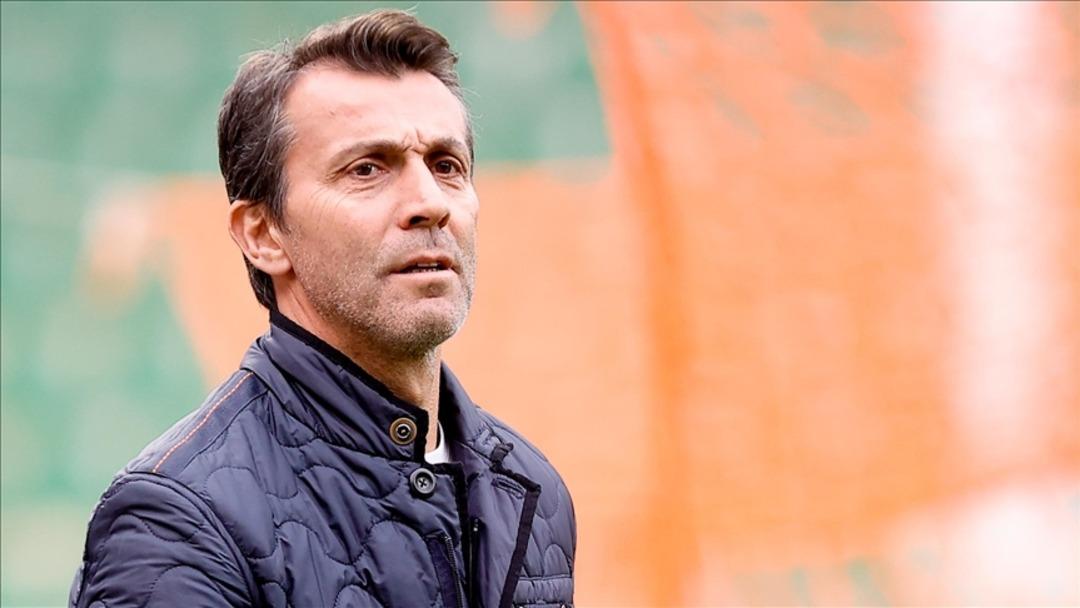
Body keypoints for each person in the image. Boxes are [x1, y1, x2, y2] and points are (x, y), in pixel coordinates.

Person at [70, 10, 576, 608]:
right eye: (367, 169)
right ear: (263, 234)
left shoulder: (532, 487)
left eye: (447, 166)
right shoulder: (176, 522)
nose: (430, 203)